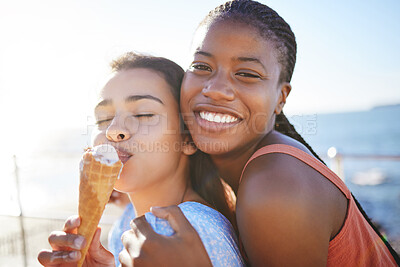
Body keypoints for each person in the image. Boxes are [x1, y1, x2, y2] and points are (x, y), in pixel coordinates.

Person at [119, 1, 400, 266]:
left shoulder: (275, 186)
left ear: (281, 97)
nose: (215, 89)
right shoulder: (227, 172)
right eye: (202, 67)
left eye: (247, 74)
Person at [37, 52, 244, 267]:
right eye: (104, 118)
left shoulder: (183, 231)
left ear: (189, 139)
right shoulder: (128, 220)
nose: (113, 129)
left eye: (143, 114)